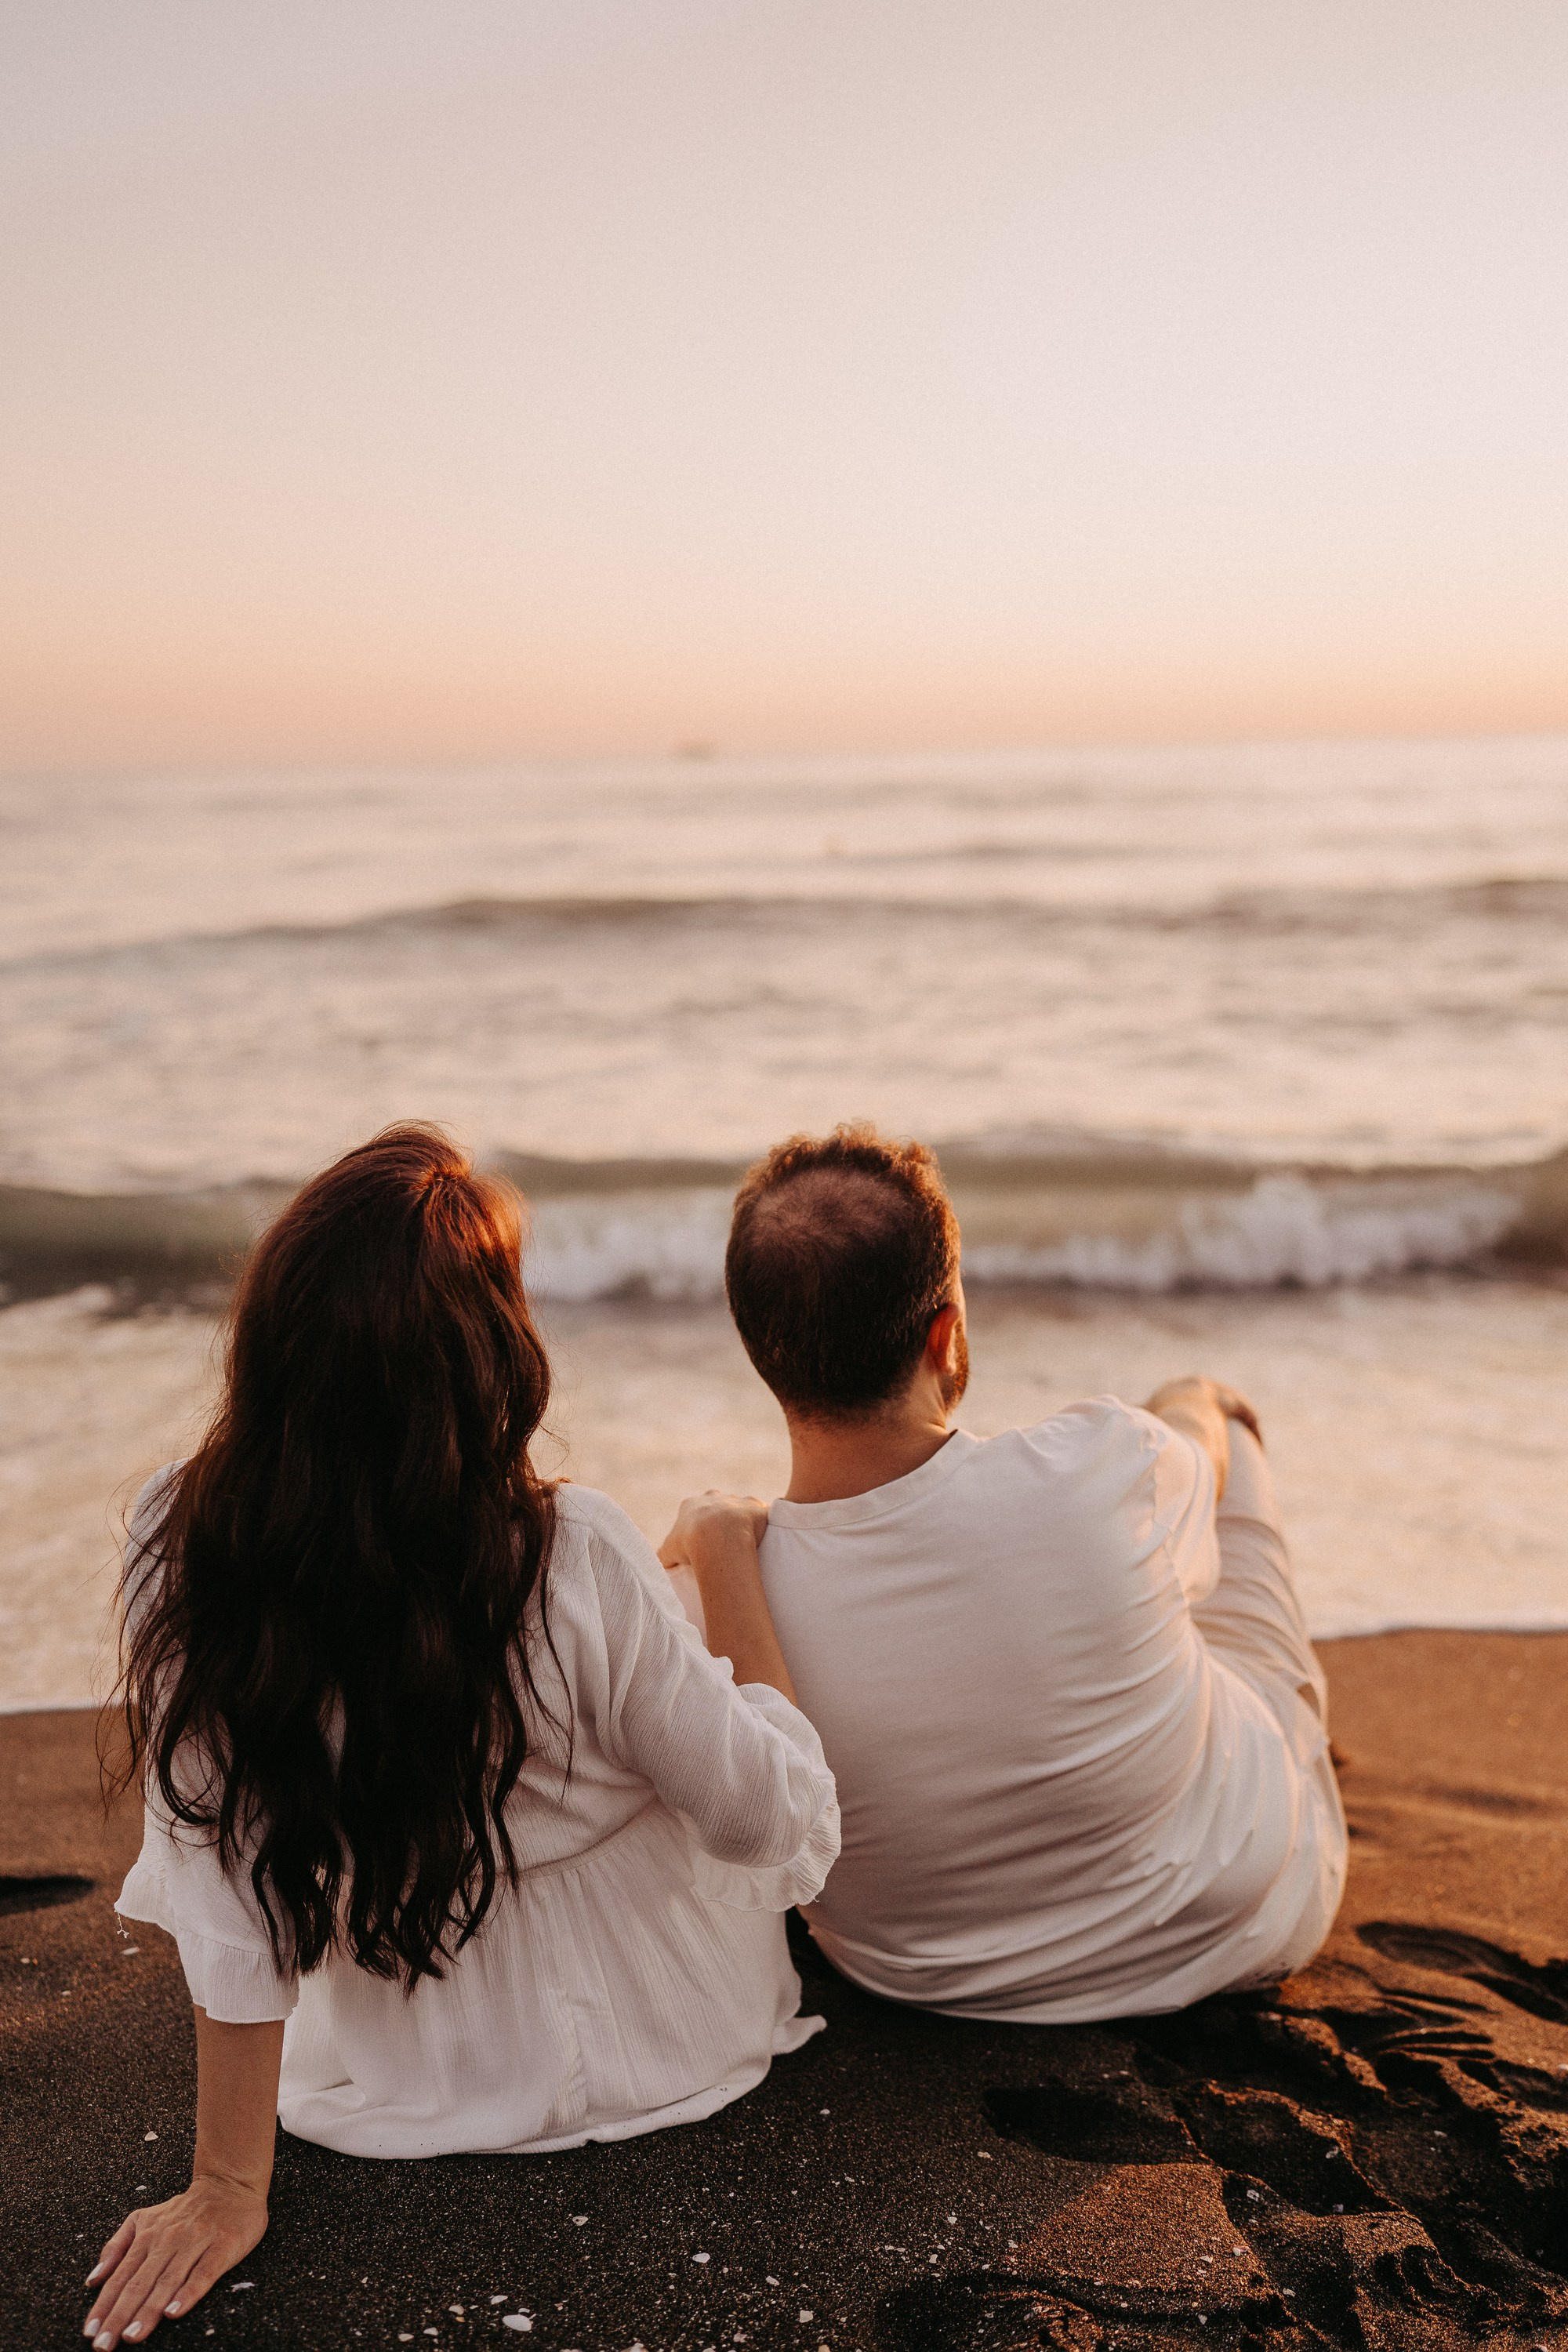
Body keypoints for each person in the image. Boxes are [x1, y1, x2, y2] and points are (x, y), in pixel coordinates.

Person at [83, 1126, 837, 2352]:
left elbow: (224, 1871)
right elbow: (760, 1818)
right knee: (692, 1603)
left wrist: (230, 2179)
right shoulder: (571, 1548)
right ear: (484, 1358)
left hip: (393, 2064)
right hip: (661, 2041)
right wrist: (745, 1625)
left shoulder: (184, 1540)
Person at [695, 1122, 1346, 2025]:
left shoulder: (719, 1607)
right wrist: (1194, 1396)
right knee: (1213, 1469)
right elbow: (1196, 1445)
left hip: (924, 1983)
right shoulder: (1104, 1462)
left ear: (757, 1345)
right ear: (945, 1331)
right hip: (1239, 1921)